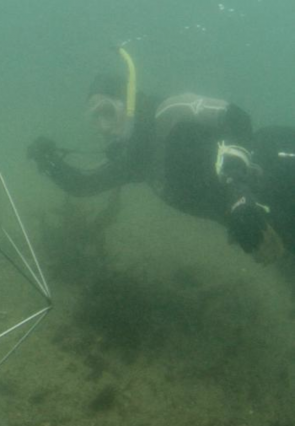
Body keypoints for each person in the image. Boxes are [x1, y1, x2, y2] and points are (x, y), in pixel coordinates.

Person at [27, 49, 295, 265]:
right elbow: (84, 184)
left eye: (106, 112)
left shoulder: (169, 113)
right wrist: (50, 163)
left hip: (280, 160)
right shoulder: (132, 161)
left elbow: (235, 118)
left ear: (127, 102)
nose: (103, 127)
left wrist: (238, 192)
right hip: (276, 216)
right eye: (94, 120)